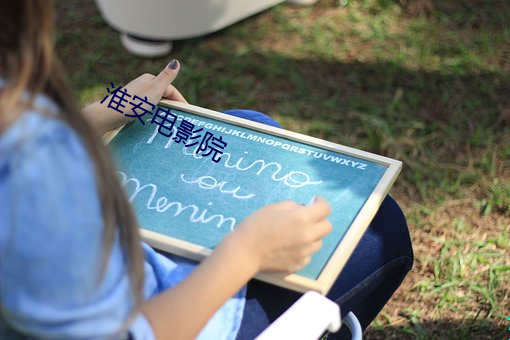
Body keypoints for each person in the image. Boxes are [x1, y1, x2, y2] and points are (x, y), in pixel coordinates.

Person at [0, 2, 413, 339]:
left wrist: (98, 116)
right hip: (171, 310)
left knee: (246, 123)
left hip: (113, 252)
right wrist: (246, 252)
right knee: (382, 226)